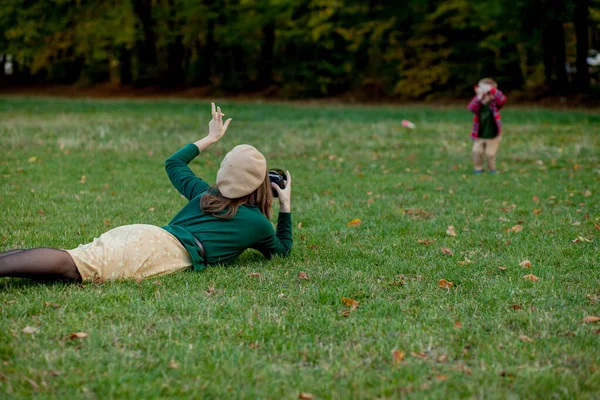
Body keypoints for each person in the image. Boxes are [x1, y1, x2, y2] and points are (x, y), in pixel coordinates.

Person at [0, 103, 293, 282]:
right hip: (163, 250)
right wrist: (286, 208)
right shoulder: (257, 224)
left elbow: (174, 162)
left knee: (76, 260)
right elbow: (281, 251)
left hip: (147, 236)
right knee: (73, 265)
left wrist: (211, 138)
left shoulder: (205, 194)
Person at [467, 78, 507, 174]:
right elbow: (470, 107)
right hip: (479, 135)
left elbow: (502, 99)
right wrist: (479, 97)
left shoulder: (494, 104)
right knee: (476, 151)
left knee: (490, 154)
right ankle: (478, 168)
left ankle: (492, 169)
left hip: (493, 135)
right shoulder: (478, 104)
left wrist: (491, 90)